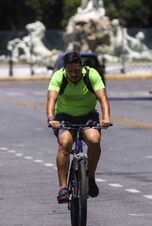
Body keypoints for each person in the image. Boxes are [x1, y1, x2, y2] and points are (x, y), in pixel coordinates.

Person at [46, 51, 111, 203]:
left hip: (88, 116)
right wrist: (51, 119)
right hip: (64, 117)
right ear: (64, 69)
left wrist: (106, 118)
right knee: (65, 143)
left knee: (94, 140)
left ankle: (90, 177)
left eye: (76, 70)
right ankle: (62, 187)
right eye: (70, 71)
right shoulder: (58, 76)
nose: (74, 74)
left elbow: (103, 98)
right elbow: (51, 99)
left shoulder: (91, 74)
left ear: (81, 66)